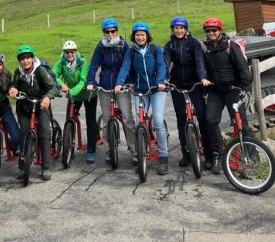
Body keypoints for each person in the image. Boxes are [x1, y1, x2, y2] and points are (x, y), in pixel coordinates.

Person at [115, 22, 169, 175]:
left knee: (157, 121)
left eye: (142, 34)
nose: (140, 37)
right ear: (134, 36)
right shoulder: (131, 52)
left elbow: (161, 66)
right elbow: (125, 67)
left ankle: (163, 157)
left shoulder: (155, 49)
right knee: (139, 122)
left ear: (147, 36)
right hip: (140, 91)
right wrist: (119, 83)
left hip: (157, 90)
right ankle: (141, 152)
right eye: (137, 35)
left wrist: (160, 81)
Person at [201, 17, 252, 175]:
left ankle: (250, 157)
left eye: (214, 30)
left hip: (232, 89)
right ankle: (218, 154)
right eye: (208, 31)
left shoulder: (230, 45)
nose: (211, 33)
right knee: (210, 120)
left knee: (241, 123)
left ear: (220, 31)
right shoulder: (205, 48)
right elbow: (203, 69)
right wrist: (204, 88)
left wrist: (246, 87)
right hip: (215, 90)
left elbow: (242, 66)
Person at [163, 17, 213, 170]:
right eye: (176, 28)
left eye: (181, 28)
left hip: (194, 82)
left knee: (202, 117)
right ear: (173, 30)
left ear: (186, 29)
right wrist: (164, 78)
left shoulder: (194, 43)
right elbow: (166, 62)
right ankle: (186, 153)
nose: (179, 30)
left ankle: (209, 155)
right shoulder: (169, 45)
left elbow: (199, 61)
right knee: (181, 118)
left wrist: (202, 77)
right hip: (177, 82)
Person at [86, 18, 135, 164]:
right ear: (104, 33)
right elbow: (93, 65)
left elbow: (128, 65)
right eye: (107, 32)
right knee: (107, 120)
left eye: (113, 31)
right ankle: (109, 150)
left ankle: (134, 149)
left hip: (122, 87)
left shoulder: (123, 45)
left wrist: (128, 82)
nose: (110, 34)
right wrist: (90, 82)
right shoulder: (101, 46)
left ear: (117, 31)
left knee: (127, 118)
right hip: (105, 86)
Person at [9, 45, 60, 181]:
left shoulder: (40, 70)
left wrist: (47, 97)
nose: (25, 61)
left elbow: (54, 87)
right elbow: (14, 85)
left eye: (28, 58)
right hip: (24, 106)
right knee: (24, 133)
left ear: (32, 58)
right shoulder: (18, 72)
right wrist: (13, 89)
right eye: (22, 59)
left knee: (44, 132)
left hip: (41, 106)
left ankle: (45, 167)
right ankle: (22, 167)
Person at [53, 40, 98, 164]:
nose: (69, 54)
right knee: (69, 119)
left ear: (76, 51)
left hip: (88, 94)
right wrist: (61, 84)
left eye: (72, 52)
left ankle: (90, 150)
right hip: (74, 95)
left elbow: (83, 80)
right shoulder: (61, 61)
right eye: (67, 52)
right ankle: (69, 148)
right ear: (64, 53)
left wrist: (71, 92)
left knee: (90, 121)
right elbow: (53, 74)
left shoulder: (82, 61)